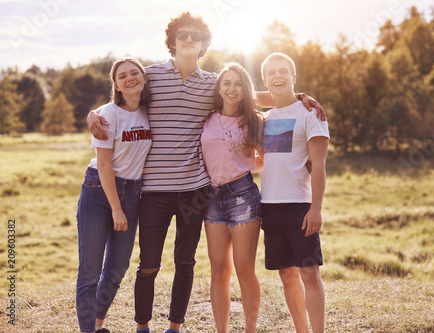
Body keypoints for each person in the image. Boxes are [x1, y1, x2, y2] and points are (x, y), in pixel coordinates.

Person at [87, 12, 325, 333]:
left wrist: (298, 97)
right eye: (182, 35)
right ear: (172, 40)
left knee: (213, 266)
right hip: (174, 192)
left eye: (195, 36)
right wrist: (94, 114)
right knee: (166, 266)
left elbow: (247, 91)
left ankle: (212, 328)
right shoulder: (153, 75)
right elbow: (125, 95)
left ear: (203, 43)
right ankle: (161, 327)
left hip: (219, 192)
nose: (188, 40)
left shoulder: (214, 83)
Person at [76, 57, 152, 333]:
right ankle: (88, 330)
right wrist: (116, 208)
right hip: (99, 190)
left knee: (117, 267)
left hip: (132, 191)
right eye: (122, 76)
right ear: (116, 85)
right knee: (90, 270)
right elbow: (105, 163)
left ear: (144, 78)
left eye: (135, 73)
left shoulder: (148, 110)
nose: (130, 78)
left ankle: (98, 324)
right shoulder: (109, 114)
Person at [258, 52, 329, 333]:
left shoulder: (311, 113)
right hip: (269, 206)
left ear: (293, 76)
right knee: (287, 275)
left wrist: (316, 208)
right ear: (265, 79)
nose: (277, 76)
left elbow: (320, 165)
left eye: (283, 71)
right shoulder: (264, 118)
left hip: (300, 205)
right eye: (271, 72)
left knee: (309, 273)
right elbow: (244, 94)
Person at [201, 62, 263, 332]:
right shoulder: (207, 116)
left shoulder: (254, 120)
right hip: (211, 198)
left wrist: (243, 167)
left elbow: (269, 157)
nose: (232, 88)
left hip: (243, 196)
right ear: (219, 88)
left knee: (244, 269)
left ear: (245, 89)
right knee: (218, 270)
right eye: (227, 83)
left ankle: (250, 329)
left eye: (238, 83)